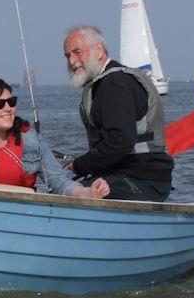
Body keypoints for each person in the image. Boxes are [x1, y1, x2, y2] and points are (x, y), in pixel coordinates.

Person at [62, 24, 174, 202]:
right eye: (67, 55)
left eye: (77, 52)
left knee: (72, 196)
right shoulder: (104, 83)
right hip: (125, 175)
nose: (71, 61)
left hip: (142, 179)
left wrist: (79, 165)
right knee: (66, 188)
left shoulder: (115, 85)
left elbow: (120, 142)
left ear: (98, 50)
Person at [0, 76, 110, 198]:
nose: (8, 109)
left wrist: (87, 192)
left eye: (11, 102)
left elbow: (57, 180)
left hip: (20, 216)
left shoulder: (30, 139)